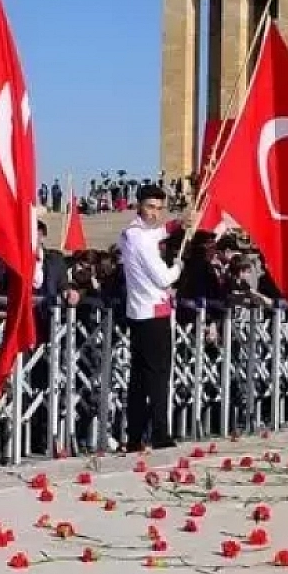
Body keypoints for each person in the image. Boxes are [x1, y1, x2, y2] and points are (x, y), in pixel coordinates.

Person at [118, 183, 181, 452]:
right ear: (139, 205)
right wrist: (178, 266)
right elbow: (163, 277)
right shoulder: (141, 237)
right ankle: (159, 432)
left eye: (159, 208)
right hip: (153, 313)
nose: (155, 213)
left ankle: (134, 436)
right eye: (150, 207)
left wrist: (176, 225)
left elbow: (155, 234)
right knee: (157, 376)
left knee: (140, 379)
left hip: (139, 313)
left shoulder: (133, 233)